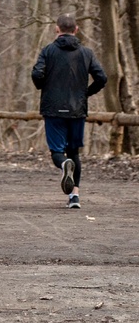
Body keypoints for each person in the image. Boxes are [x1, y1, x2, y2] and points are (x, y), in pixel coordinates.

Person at [31, 13, 107, 209]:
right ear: (76, 30)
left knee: (58, 152)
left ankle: (63, 164)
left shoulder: (48, 51)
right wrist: (85, 94)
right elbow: (102, 78)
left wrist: (42, 86)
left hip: (53, 109)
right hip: (77, 110)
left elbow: (37, 73)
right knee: (75, 153)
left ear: (57, 30)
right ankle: (75, 197)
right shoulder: (87, 53)